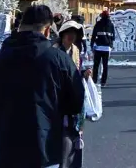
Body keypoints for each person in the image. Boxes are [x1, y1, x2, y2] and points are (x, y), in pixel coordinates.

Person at [0, 4, 84, 168]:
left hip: (2, 151)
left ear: (19, 27)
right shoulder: (59, 60)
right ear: (48, 30)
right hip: (45, 149)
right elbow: (76, 101)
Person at [56, 20, 88, 168]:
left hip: (73, 97)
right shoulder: (55, 51)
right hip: (59, 97)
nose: (71, 36)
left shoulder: (75, 50)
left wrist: (84, 73)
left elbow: (76, 70)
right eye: (68, 33)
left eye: (74, 34)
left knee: (74, 134)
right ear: (62, 35)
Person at [90, 9, 115, 87]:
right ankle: (103, 82)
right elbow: (113, 37)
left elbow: (94, 35)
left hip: (98, 47)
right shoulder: (111, 25)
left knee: (96, 65)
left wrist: (92, 45)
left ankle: (94, 80)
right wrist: (110, 44)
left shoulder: (98, 24)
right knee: (105, 65)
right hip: (107, 48)